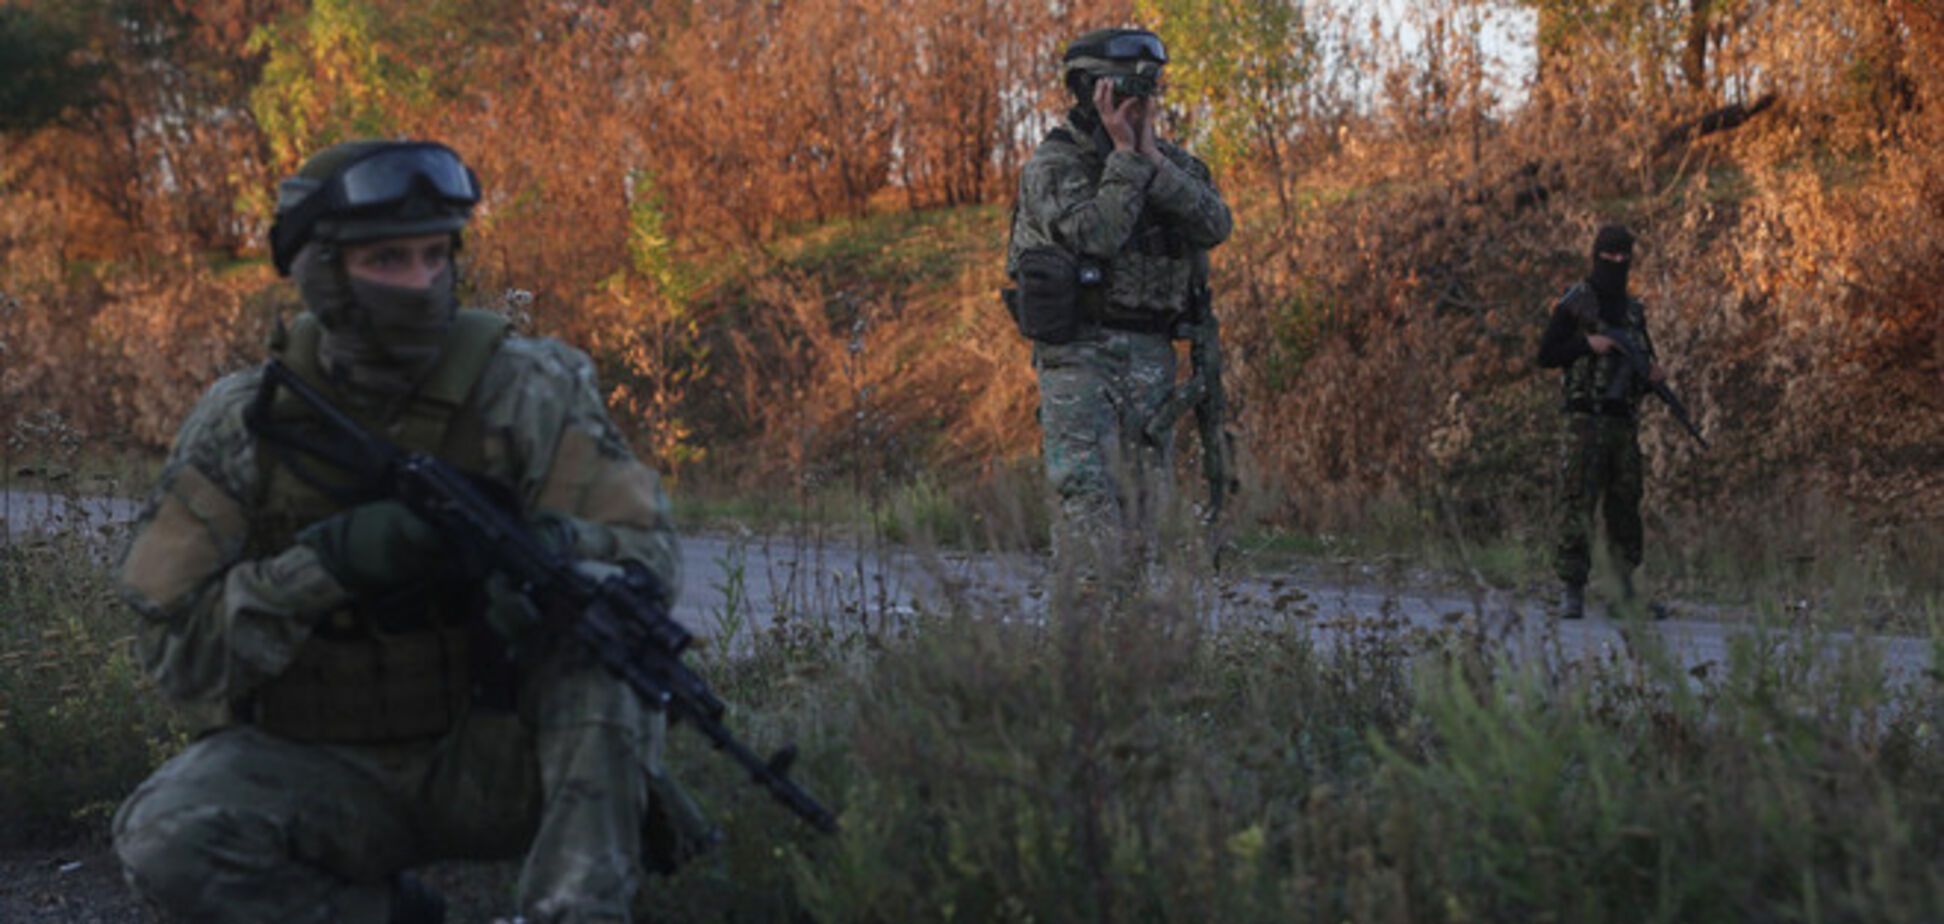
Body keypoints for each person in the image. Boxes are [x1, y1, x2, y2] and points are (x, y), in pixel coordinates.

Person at [110, 139, 702, 923]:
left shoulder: (530, 389)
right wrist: (329, 565)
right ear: (324, 272)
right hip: (329, 768)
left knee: (606, 646)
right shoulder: (244, 425)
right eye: (389, 260)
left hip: (499, 754)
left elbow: (647, 558)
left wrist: (557, 557)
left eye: (435, 256)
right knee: (165, 838)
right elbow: (174, 655)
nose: (422, 284)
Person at [1004, 27, 1233, 569]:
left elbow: (1214, 223)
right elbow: (1098, 236)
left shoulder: (1167, 163)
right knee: (1087, 506)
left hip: (1151, 358)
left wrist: (1150, 158)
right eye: (1129, 88)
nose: (1142, 100)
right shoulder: (1054, 167)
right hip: (1079, 359)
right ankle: (1082, 642)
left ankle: (1130, 645)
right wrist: (1127, 158)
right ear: (1091, 90)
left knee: (1143, 511)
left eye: (1150, 89)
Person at [1536, 224, 1671, 620]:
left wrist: (1651, 377)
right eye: (1608, 256)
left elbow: (1642, 358)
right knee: (1578, 502)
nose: (1615, 263)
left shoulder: (1632, 312)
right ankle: (1572, 589)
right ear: (1596, 255)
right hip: (1584, 420)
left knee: (1624, 507)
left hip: (1621, 424)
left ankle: (1624, 592)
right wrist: (1586, 345)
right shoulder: (1577, 302)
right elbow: (1546, 354)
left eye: (1622, 257)